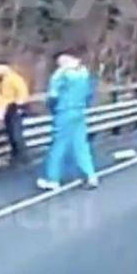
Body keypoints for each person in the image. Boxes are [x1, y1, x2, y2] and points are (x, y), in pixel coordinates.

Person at [37, 46, 99, 191]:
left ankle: (52, 179)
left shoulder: (60, 74)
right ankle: (90, 176)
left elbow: (53, 96)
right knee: (81, 145)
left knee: (58, 145)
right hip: (79, 111)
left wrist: (51, 108)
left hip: (64, 111)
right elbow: (89, 94)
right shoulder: (84, 73)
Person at [0, 62, 30, 164]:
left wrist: (20, 105)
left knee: (16, 133)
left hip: (14, 106)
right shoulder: (2, 81)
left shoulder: (14, 78)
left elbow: (22, 91)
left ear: (6, 67)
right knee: (11, 133)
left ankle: (22, 156)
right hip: (7, 108)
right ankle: (15, 155)